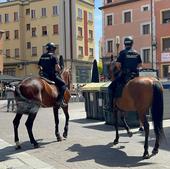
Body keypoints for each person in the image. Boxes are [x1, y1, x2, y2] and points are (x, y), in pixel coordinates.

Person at [106, 36, 142, 111]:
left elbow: (118, 65)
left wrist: (120, 67)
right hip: (135, 76)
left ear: (125, 44)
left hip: (125, 76)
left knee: (110, 88)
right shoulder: (136, 53)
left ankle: (110, 106)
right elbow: (140, 65)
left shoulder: (122, 53)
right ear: (132, 43)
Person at [38, 42, 67, 107]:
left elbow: (39, 66)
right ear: (53, 49)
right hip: (52, 76)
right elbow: (57, 67)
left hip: (43, 76)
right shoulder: (54, 56)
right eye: (54, 49)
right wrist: (60, 70)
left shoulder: (42, 56)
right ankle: (60, 101)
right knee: (63, 85)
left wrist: (42, 70)